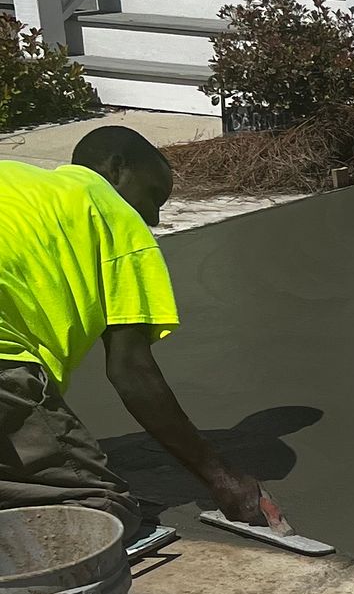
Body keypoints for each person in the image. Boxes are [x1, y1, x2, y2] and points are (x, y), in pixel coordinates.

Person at [0, 126, 279, 538]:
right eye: (153, 197)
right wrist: (222, 478)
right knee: (102, 516)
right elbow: (131, 371)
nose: (153, 217)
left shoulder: (15, 179)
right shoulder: (113, 216)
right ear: (116, 170)